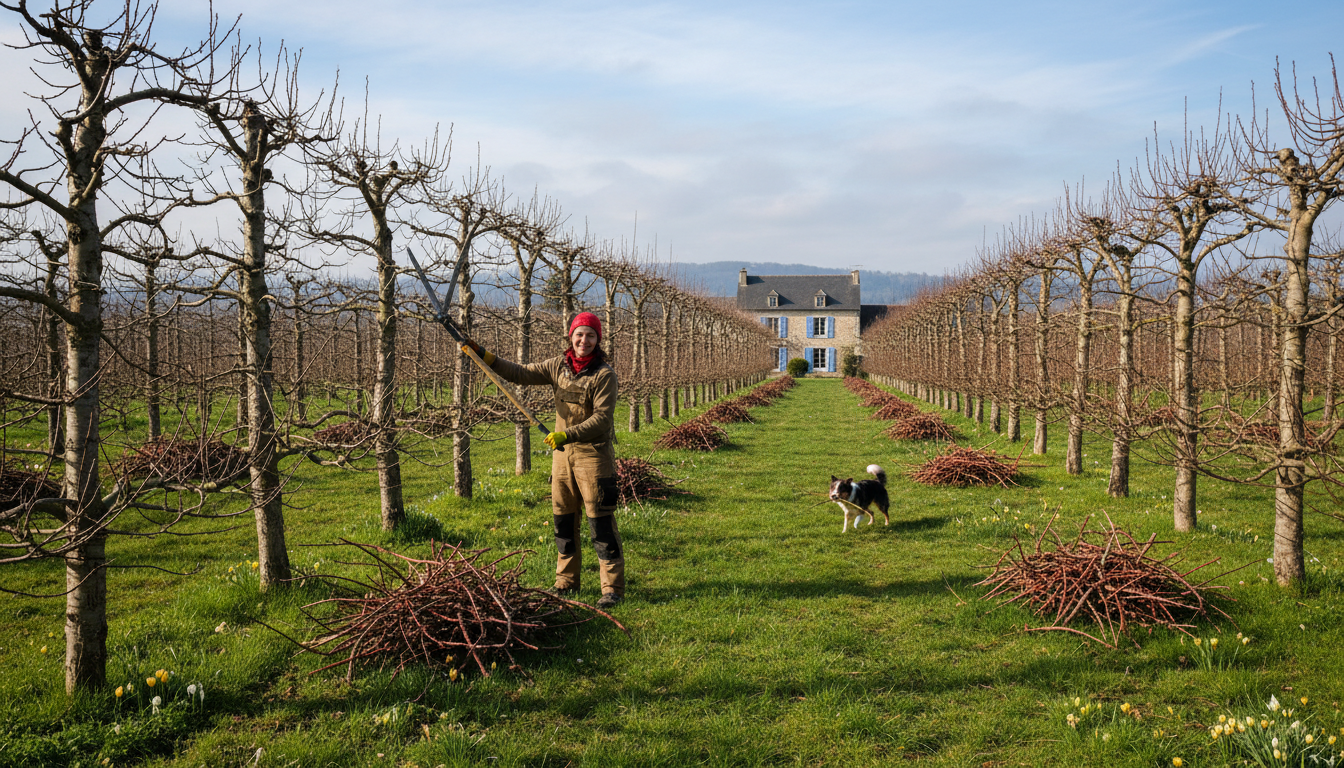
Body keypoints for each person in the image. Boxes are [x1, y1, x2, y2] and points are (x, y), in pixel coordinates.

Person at [462, 311, 624, 609]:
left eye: (590, 335)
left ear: (598, 339)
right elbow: (518, 373)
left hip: (593, 458)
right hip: (562, 459)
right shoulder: (557, 367)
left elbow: (602, 420)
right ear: (570, 337)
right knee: (563, 521)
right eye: (579, 334)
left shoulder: (604, 375)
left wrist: (567, 435)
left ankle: (611, 588)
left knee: (600, 523)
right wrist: (481, 353)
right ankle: (566, 580)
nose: (584, 340)